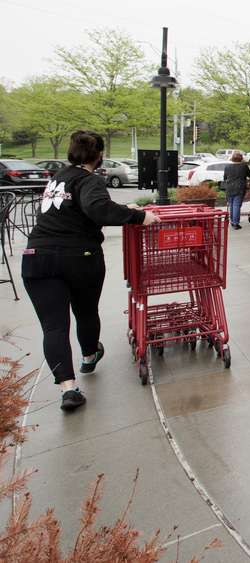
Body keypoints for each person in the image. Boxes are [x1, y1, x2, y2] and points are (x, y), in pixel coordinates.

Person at [22, 130, 159, 411]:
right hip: (78, 257)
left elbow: (79, 208)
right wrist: (140, 215)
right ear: (98, 156)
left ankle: (68, 389)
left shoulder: (58, 178)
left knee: (53, 326)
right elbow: (96, 208)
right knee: (85, 312)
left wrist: (121, 207)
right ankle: (88, 356)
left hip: (37, 256)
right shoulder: (90, 179)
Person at [222, 151, 250, 230]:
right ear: (241, 158)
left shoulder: (227, 167)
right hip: (239, 188)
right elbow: (249, 175)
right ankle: (235, 223)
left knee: (231, 205)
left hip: (229, 188)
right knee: (236, 205)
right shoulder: (244, 166)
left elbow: (225, 178)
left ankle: (232, 220)